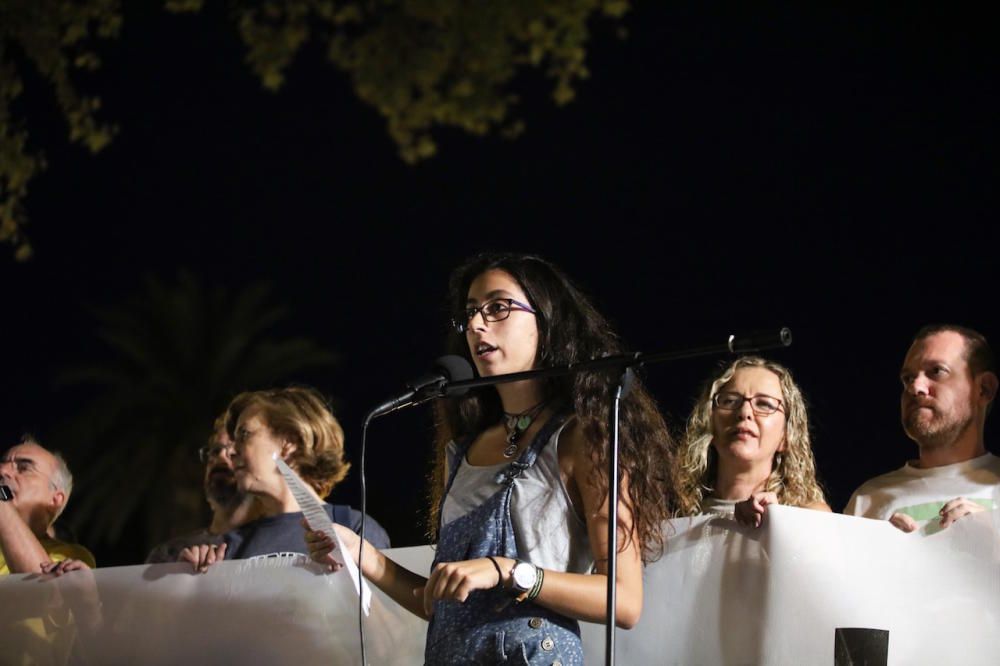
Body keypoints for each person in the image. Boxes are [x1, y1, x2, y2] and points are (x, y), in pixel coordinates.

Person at [305, 253, 676, 665]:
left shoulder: (583, 437)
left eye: (498, 307)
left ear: (546, 319)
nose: (478, 325)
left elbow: (624, 601)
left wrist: (508, 571)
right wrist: (363, 555)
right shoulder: (462, 450)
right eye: (470, 314)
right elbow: (442, 603)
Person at [180, 386, 389, 571]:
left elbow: (384, 612)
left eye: (244, 434)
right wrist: (192, 577)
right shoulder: (230, 545)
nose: (231, 452)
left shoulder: (355, 528)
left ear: (289, 442)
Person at [845, 324, 999, 533]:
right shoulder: (867, 500)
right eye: (908, 378)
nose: (915, 387)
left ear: (983, 389)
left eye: (937, 371)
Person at [674, 356, 830, 527]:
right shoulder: (672, 512)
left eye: (764, 404)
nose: (744, 412)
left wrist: (778, 521)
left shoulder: (809, 517)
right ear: (708, 422)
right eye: (730, 401)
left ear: (786, 436)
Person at [146, 414, 263, 563]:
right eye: (215, 451)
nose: (221, 456)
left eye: (233, 452)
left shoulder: (274, 548)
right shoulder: (169, 555)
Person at [0, 435, 95, 575]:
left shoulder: (71, 556)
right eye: (2, 464)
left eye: (24, 468)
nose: (2, 471)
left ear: (55, 500)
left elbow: (43, 591)